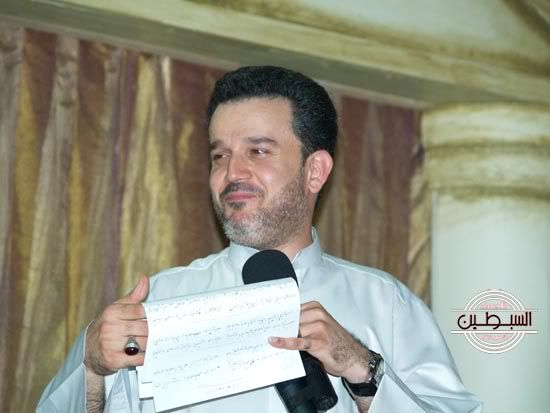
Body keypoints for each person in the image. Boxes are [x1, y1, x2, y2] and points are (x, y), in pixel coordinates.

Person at [38, 66, 481, 412]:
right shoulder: (159, 304)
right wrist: (92, 367)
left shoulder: (386, 305)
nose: (232, 173)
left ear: (315, 171)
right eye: (219, 155)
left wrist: (362, 370)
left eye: (258, 151)